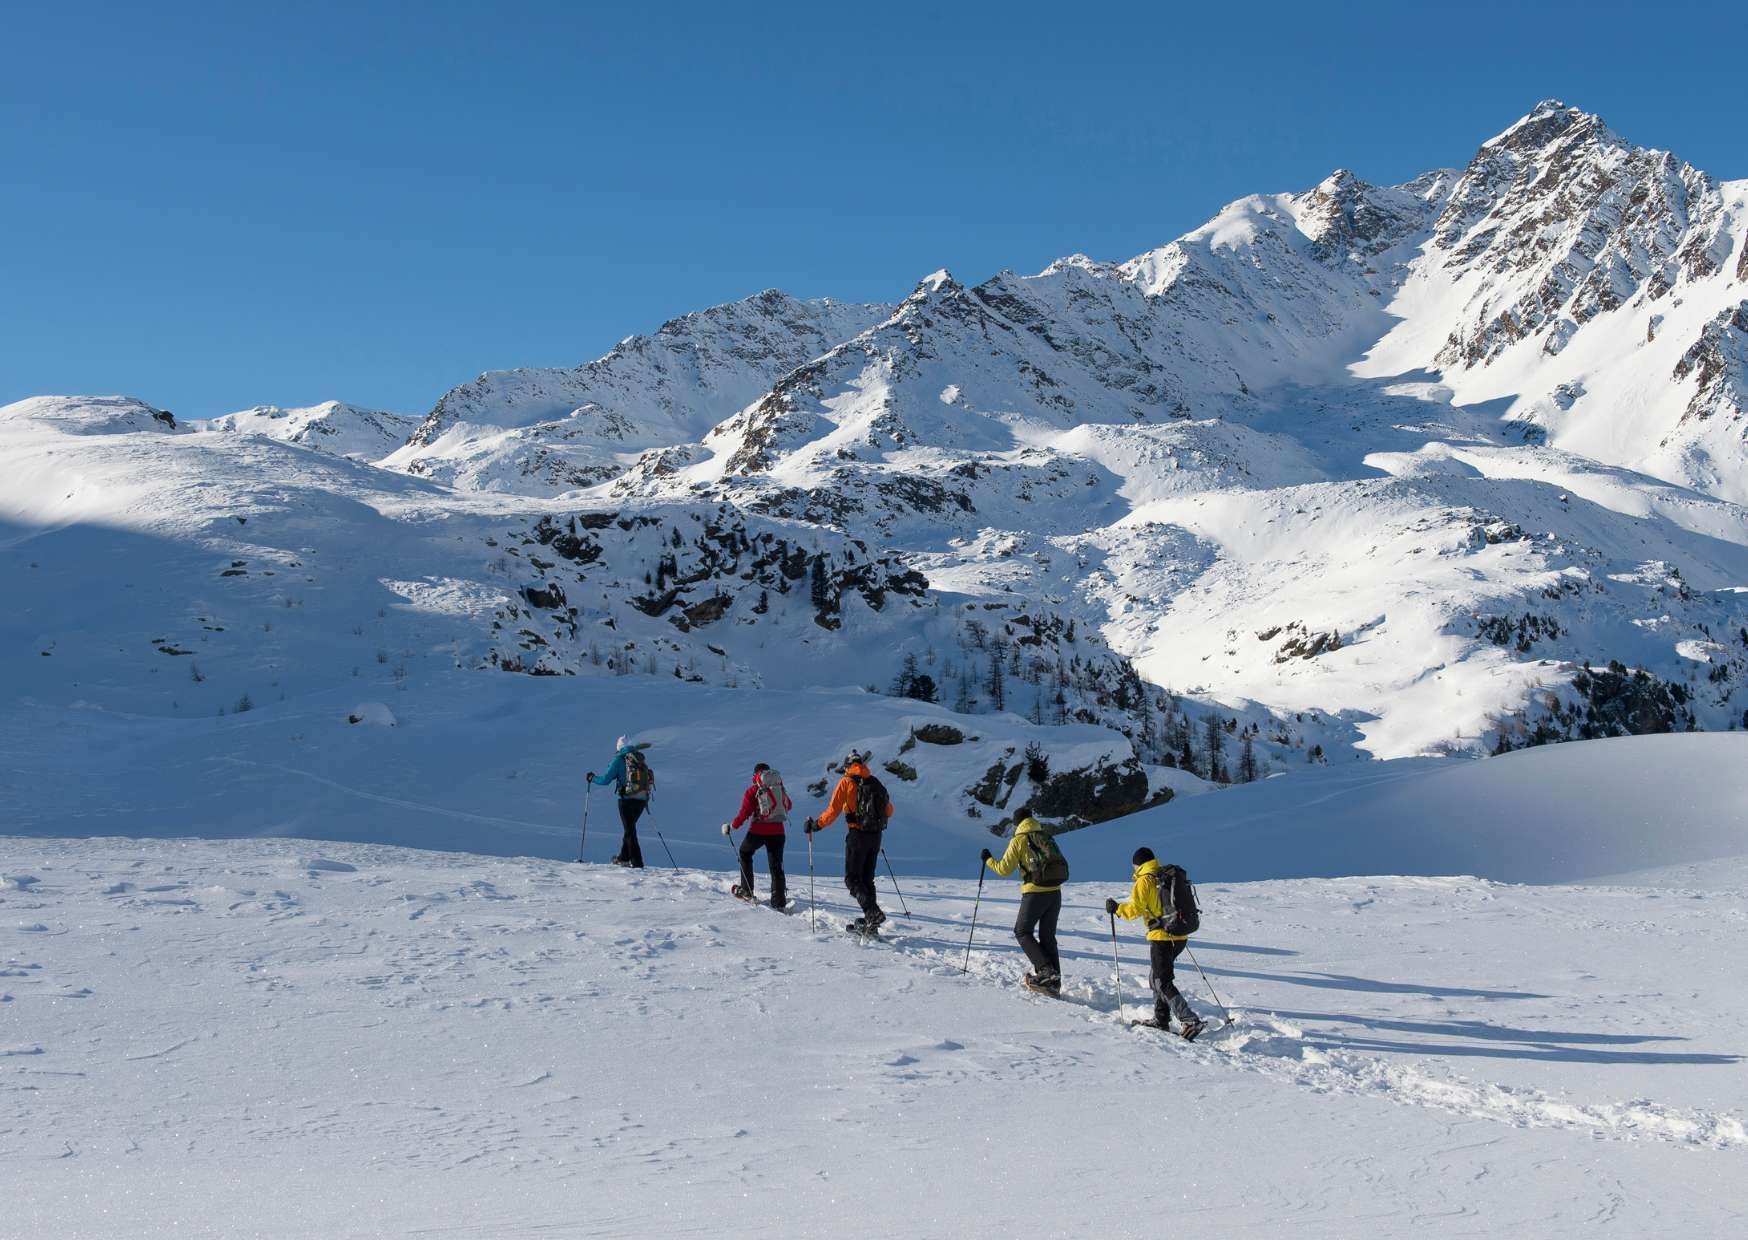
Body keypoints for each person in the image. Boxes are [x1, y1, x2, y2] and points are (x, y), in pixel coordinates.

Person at [1107, 847, 1204, 1040]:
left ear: (1138, 864)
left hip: (1162, 937)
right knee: (1156, 978)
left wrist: (1117, 909)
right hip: (1178, 934)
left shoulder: (1145, 880)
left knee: (1161, 981)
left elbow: (1135, 909)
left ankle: (1189, 1019)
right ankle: (1161, 1019)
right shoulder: (1163, 875)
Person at [804, 751, 893, 933]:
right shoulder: (874, 782)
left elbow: (833, 811)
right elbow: (889, 810)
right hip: (875, 836)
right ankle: (872, 922)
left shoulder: (846, 782)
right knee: (868, 880)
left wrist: (815, 825)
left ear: (847, 766)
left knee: (852, 879)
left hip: (857, 834)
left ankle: (872, 912)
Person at [980, 809, 1066, 996]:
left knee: (1022, 931)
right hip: (1055, 892)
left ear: (1017, 823)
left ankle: (1045, 971)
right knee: (1047, 937)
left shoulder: (1019, 840)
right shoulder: (1044, 836)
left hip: (1035, 893)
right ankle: (1054, 981)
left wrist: (988, 860)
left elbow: (1004, 869)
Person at [723, 763, 791, 908]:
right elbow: (788, 806)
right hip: (778, 832)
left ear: (756, 775)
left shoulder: (753, 790)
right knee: (776, 866)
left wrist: (732, 826)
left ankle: (747, 890)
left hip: (758, 831)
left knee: (745, 852)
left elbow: (744, 813)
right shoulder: (779, 787)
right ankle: (779, 902)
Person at [587, 736, 653, 869]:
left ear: (618, 747)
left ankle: (637, 863)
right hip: (641, 800)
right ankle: (623, 858)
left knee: (630, 831)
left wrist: (592, 778)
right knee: (629, 829)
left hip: (626, 800)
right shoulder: (639, 757)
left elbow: (605, 780)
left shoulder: (618, 760)